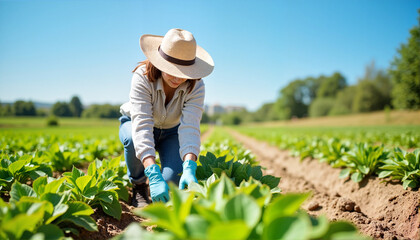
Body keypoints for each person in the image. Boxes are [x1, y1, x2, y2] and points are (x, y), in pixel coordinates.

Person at [118, 28, 214, 207]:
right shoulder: (143, 76)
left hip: (172, 132)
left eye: (184, 73)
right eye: (172, 70)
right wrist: (153, 174)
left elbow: (190, 126)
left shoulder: (197, 86)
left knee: (172, 181)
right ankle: (139, 186)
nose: (178, 78)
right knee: (132, 139)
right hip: (137, 125)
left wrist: (190, 166)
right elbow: (142, 126)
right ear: (160, 63)